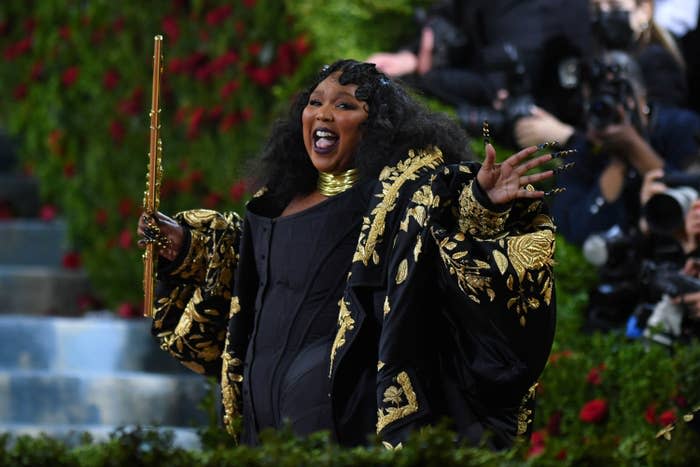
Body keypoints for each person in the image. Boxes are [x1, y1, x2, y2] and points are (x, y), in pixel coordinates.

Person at [138, 59, 559, 449]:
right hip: (257, 423)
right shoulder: (277, 198)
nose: (322, 114)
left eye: (344, 105)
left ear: (375, 125)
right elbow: (247, 264)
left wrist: (482, 205)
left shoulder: (399, 201)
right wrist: (185, 244)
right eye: (314, 102)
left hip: (346, 426)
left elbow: (445, 233)